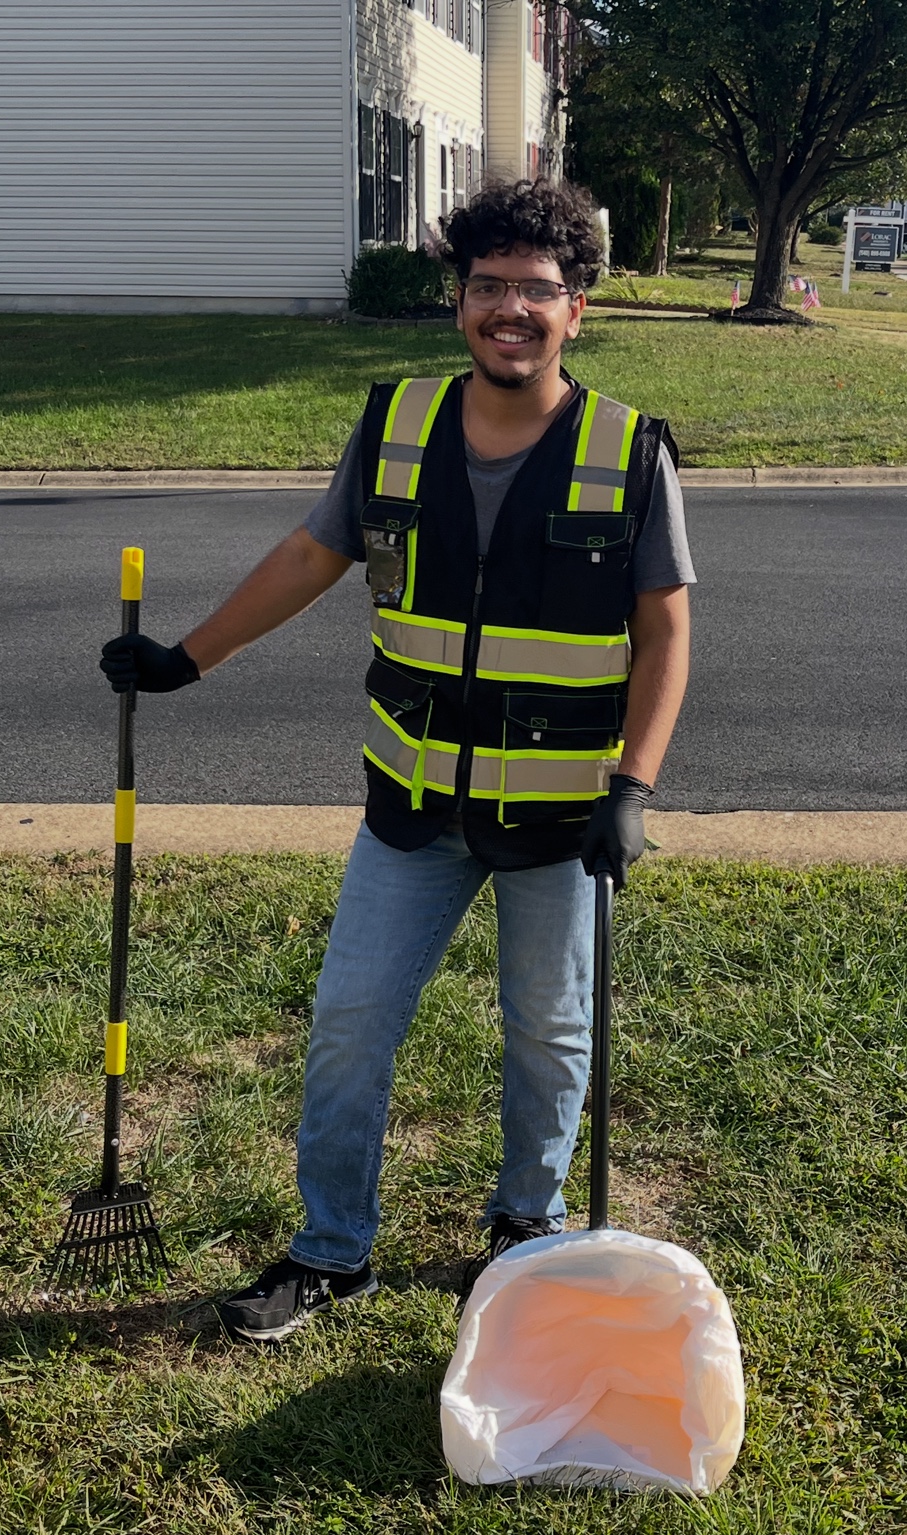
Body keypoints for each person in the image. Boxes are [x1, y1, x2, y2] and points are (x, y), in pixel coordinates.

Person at [100, 178, 695, 1344]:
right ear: (458, 298)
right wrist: (185, 658)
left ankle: (528, 1232)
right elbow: (312, 553)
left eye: (538, 290)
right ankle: (331, 1253)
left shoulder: (630, 449)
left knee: (550, 1032)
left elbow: (666, 629)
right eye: (489, 286)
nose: (510, 310)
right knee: (350, 1023)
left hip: (557, 823)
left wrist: (634, 787)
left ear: (579, 308)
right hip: (410, 810)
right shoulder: (398, 424)